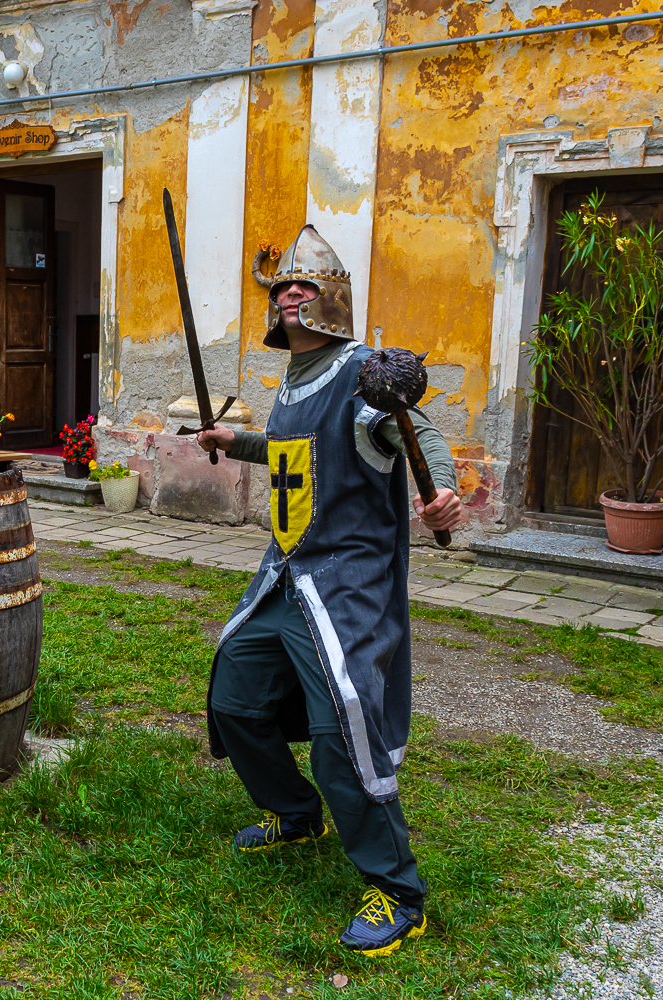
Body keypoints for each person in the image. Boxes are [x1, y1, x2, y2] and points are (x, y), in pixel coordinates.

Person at [196, 225, 462, 957]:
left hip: (346, 579)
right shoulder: (291, 378)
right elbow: (299, 453)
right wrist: (235, 442)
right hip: (284, 572)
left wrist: (440, 493)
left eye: (303, 284)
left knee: (342, 731)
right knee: (235, 698)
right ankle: (295, 813)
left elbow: (413, 430)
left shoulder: (359, 371)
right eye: (281, 285)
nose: (288, 292)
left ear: (332, 300)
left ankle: (398, 891)